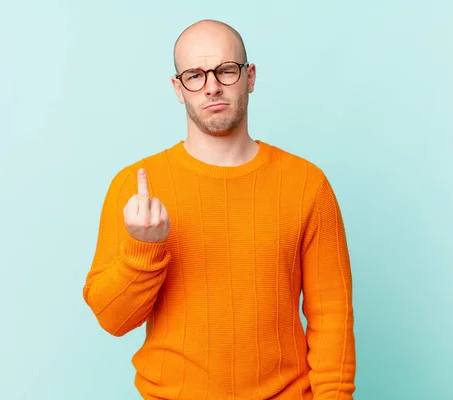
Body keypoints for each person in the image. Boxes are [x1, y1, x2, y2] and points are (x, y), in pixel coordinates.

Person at [82, 19, 356, 400]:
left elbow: (332, 319)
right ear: (178, 89)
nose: (211, 86)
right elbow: (113, 320)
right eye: (195, 75)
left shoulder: (307, 184)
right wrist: (143, 249)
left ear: (250, 77)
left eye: (226, 70)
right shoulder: (136, 187)